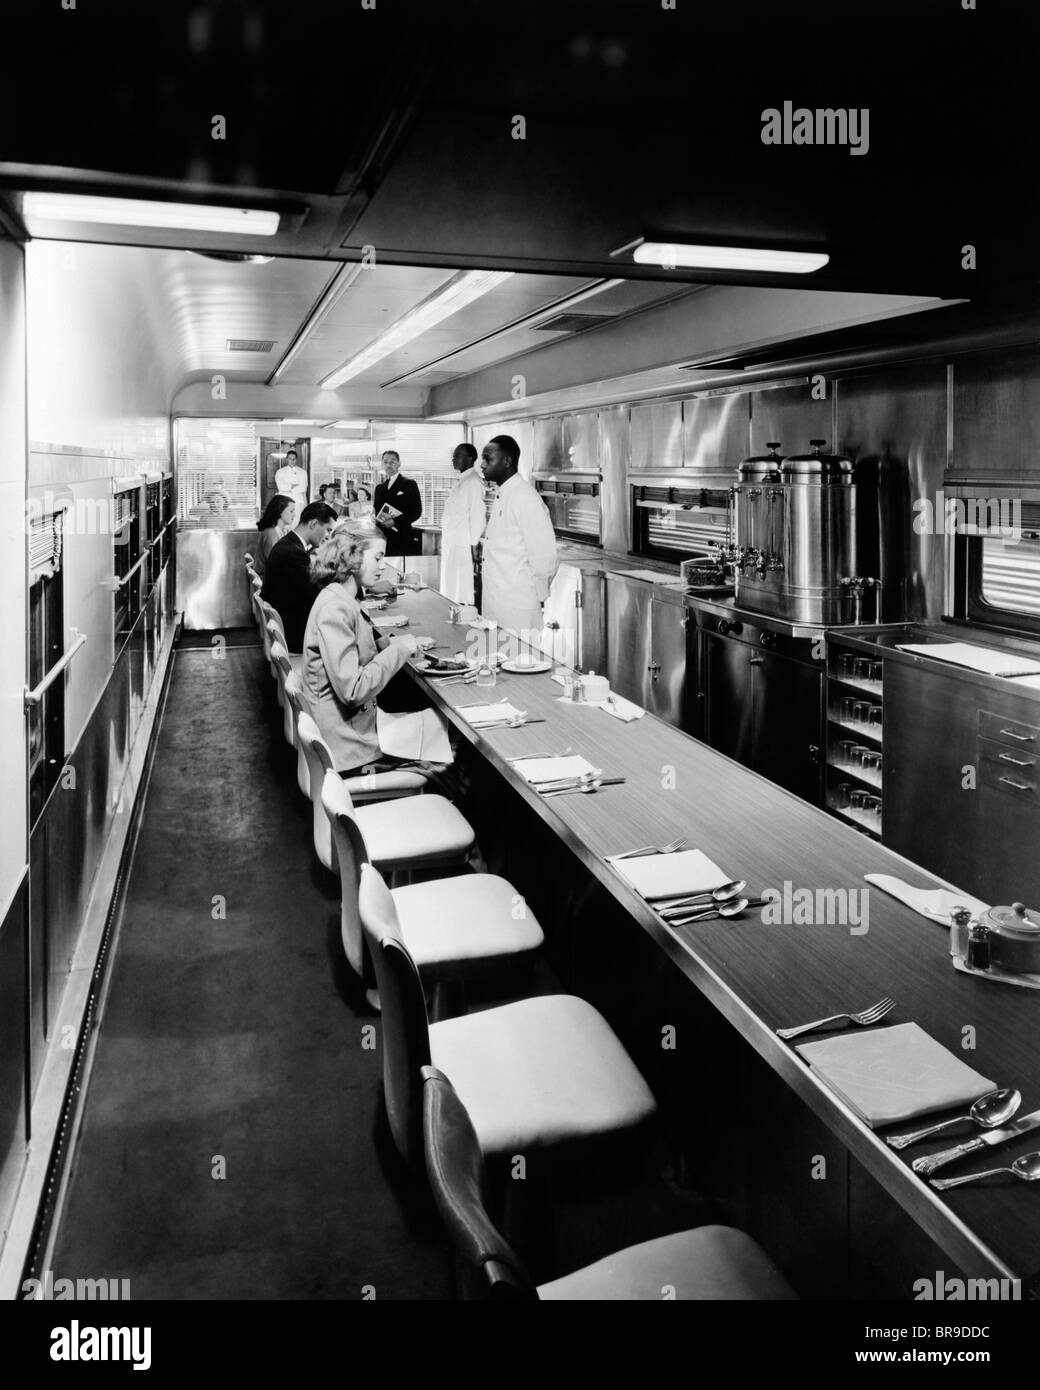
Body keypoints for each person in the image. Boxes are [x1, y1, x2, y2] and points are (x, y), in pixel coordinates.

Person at [301, 528, 422, 773]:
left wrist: (383, 646)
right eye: (377, 557)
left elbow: (348, 655)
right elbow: (353, 690)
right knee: (443, 739)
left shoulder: (340, 597)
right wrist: (398, 650)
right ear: (353, 558)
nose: (382, 565)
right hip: (347, 748)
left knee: (426, 725)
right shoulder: (336, 608)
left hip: (346, 731)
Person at [479, 434, 557, 643]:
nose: (482, 464)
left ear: (507, 461)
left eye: (488, 458)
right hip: (497, 604)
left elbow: (544, 557)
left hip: (518, 608)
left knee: (521, 670)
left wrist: (538, 598)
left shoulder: (525, 497)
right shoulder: (503, 493)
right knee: (497, 669)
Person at [260, 501, 337, 652]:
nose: (328, 537)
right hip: (297, 635)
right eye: (328, 530)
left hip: (290, 625)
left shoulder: (290, 545)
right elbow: (318, 594)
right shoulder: (293, 553)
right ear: (314, 524)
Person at [439, 442, 486, 605]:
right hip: (453, 543)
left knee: (460, 590)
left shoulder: (474, 482)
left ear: (470, 458)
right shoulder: (463, 481)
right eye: (454, 456)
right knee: (451, 588)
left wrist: (473, 545)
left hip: (463, 545)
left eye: (458, 455)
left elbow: (478, 516)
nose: (454, 459)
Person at [373, 450, 422, 556]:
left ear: (399, 463)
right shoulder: (379, 488)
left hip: (401, 538)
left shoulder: (409, 484)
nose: (388, 465)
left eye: (392, 462)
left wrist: (395, 521)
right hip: (381, 538)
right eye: (385, 462)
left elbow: (416, 512)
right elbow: (376, 512)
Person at [254, 494, 296, 578]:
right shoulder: (270, 533)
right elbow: (275, 564)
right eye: (291, 511)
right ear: (280, 512)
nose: (294, 515)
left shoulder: (284, 530)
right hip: (269, 581)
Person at [274, 448, 308, 515]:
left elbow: (303, 487)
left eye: (294, 459)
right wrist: (293, 486)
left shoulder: (303, 472)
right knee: (286, 522)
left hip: (298, 501)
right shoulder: (280, 472)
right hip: (284, 501)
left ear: (296, 459)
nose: (292, 461)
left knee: (297, 520)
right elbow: (280, 487)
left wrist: (288, 488)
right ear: (287, 459)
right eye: (290, 459)